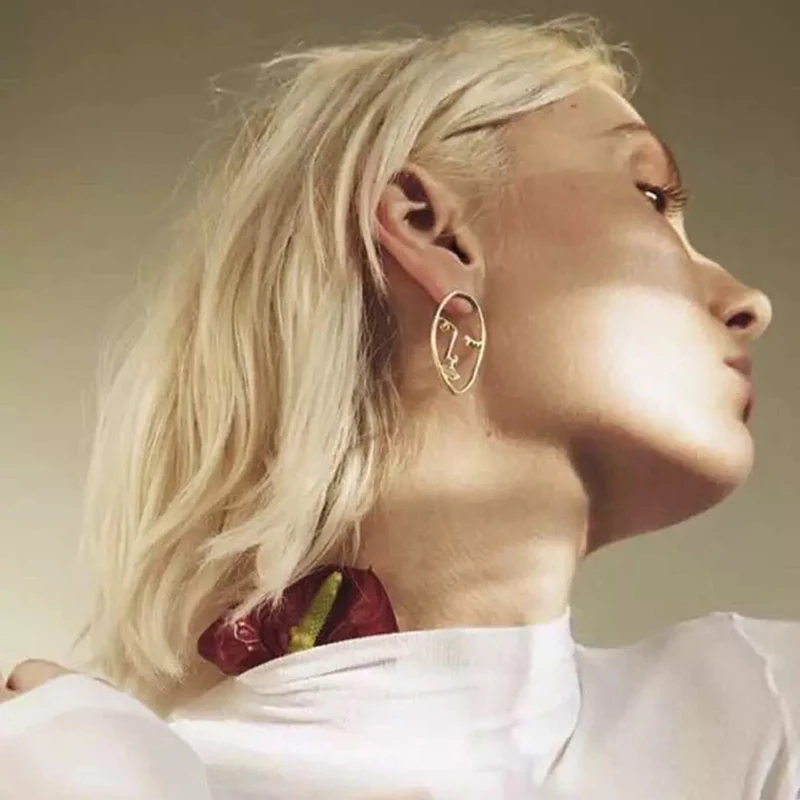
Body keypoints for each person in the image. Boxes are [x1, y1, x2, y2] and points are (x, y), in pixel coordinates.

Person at [2, 13, 796, 800]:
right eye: (651, 196)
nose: (749, 302)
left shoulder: (760, 708)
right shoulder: (72, 767)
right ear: (432, 231)